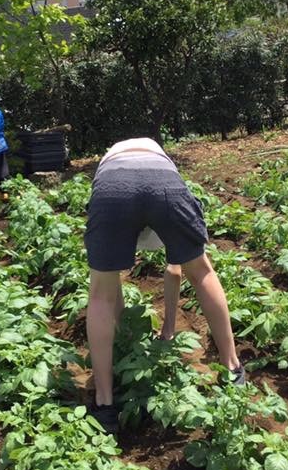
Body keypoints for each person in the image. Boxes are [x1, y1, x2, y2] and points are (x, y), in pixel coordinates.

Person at [84, 138, 244, 433]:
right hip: (164, 183)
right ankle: (232, 368)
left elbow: (112, 290)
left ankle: (105, 403)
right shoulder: (161, 165)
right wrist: (167, 328)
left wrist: (135, 334)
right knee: (202, 272)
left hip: (111, 190)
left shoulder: (109, 167)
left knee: (100, 295)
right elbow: (176, 270)